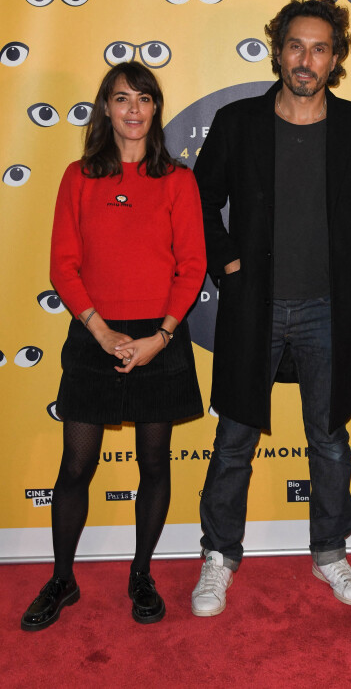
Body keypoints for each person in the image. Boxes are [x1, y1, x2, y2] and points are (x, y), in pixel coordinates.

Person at [190, 0, 351, 616]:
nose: (306, 60)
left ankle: (330, 551)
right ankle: (219, 556)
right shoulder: (237, 123)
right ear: (277, 49)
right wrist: (227, 263)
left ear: (336, 59)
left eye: (320, 48)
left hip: (330, 309)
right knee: (233, 437)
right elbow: (198, 202)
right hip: (253, 306)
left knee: (329, 438)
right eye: (296, 46)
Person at [21, 62, 206, 631]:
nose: (133, 110)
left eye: (144, 99)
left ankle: (142, 573)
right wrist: (101, 332)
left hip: (161, 336)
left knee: (155, 463)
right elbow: (63, 264)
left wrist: (160, 338)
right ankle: (62, 579)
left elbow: (192, 264)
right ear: (105, 107)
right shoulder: (78, 177)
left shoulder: (178, 180)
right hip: (92, 333)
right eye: (121, 98)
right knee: (75, 466)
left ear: (155, 108)